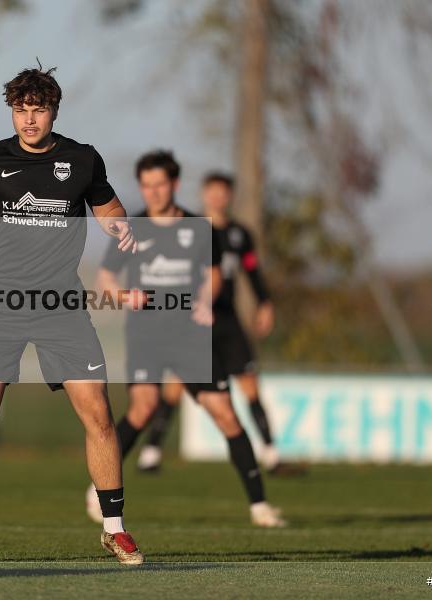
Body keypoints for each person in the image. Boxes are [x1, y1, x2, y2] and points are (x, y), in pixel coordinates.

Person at [0, 64, 144, 564]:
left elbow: (111, 208)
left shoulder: (82, 159)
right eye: (21, 110)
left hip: (63, 307)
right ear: (12, 112)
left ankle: (115, 529)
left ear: (53, 111)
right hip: (2, 305)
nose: (29, 120)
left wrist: (115, 227)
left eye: (38, 110)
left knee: (99, 416)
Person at [91, 152, 286, 528]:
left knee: (226, 413)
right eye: (146, 185)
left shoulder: (200, 228)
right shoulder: (131, 227)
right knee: (143, 407)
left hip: (190, 337)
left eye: (159, 184)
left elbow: (214, 275)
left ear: (174, 185)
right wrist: (123, 296)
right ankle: (98, 486)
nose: (152, 192)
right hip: (147, 332)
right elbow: (106, 277)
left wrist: (204, 300)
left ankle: (260, 505)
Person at [137, 171, 305, 476]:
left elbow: (252, 272)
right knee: (174, 388)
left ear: (230, 196)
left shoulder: (240, 235)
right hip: (193, 320)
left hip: (227, 319)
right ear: (204, 194)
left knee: (250, 386)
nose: (217, 197)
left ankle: (271, 454)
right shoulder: (189, 228)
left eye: (223, 192)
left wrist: (265, 303)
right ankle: (151, 453)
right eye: (211, 191)